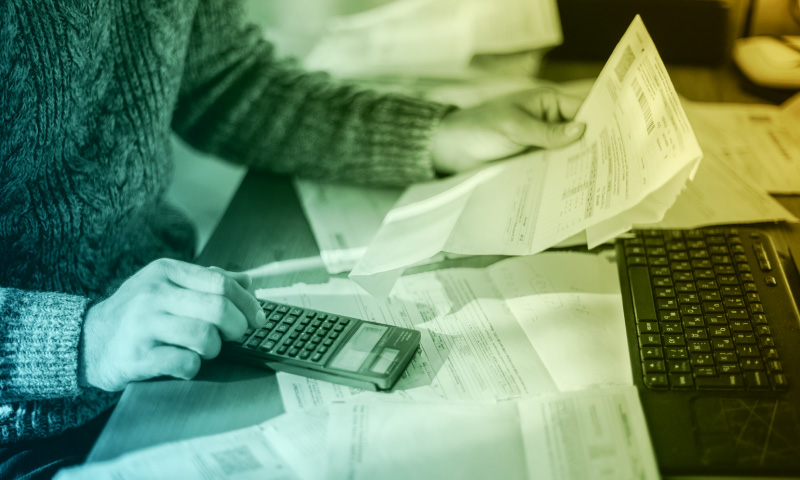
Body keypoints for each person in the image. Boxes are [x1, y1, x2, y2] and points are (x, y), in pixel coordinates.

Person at [0, 0, 585, 477]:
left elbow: (225, 79)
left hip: (175, 337)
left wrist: (436, 135)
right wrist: (84, 339)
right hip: (33, 423)